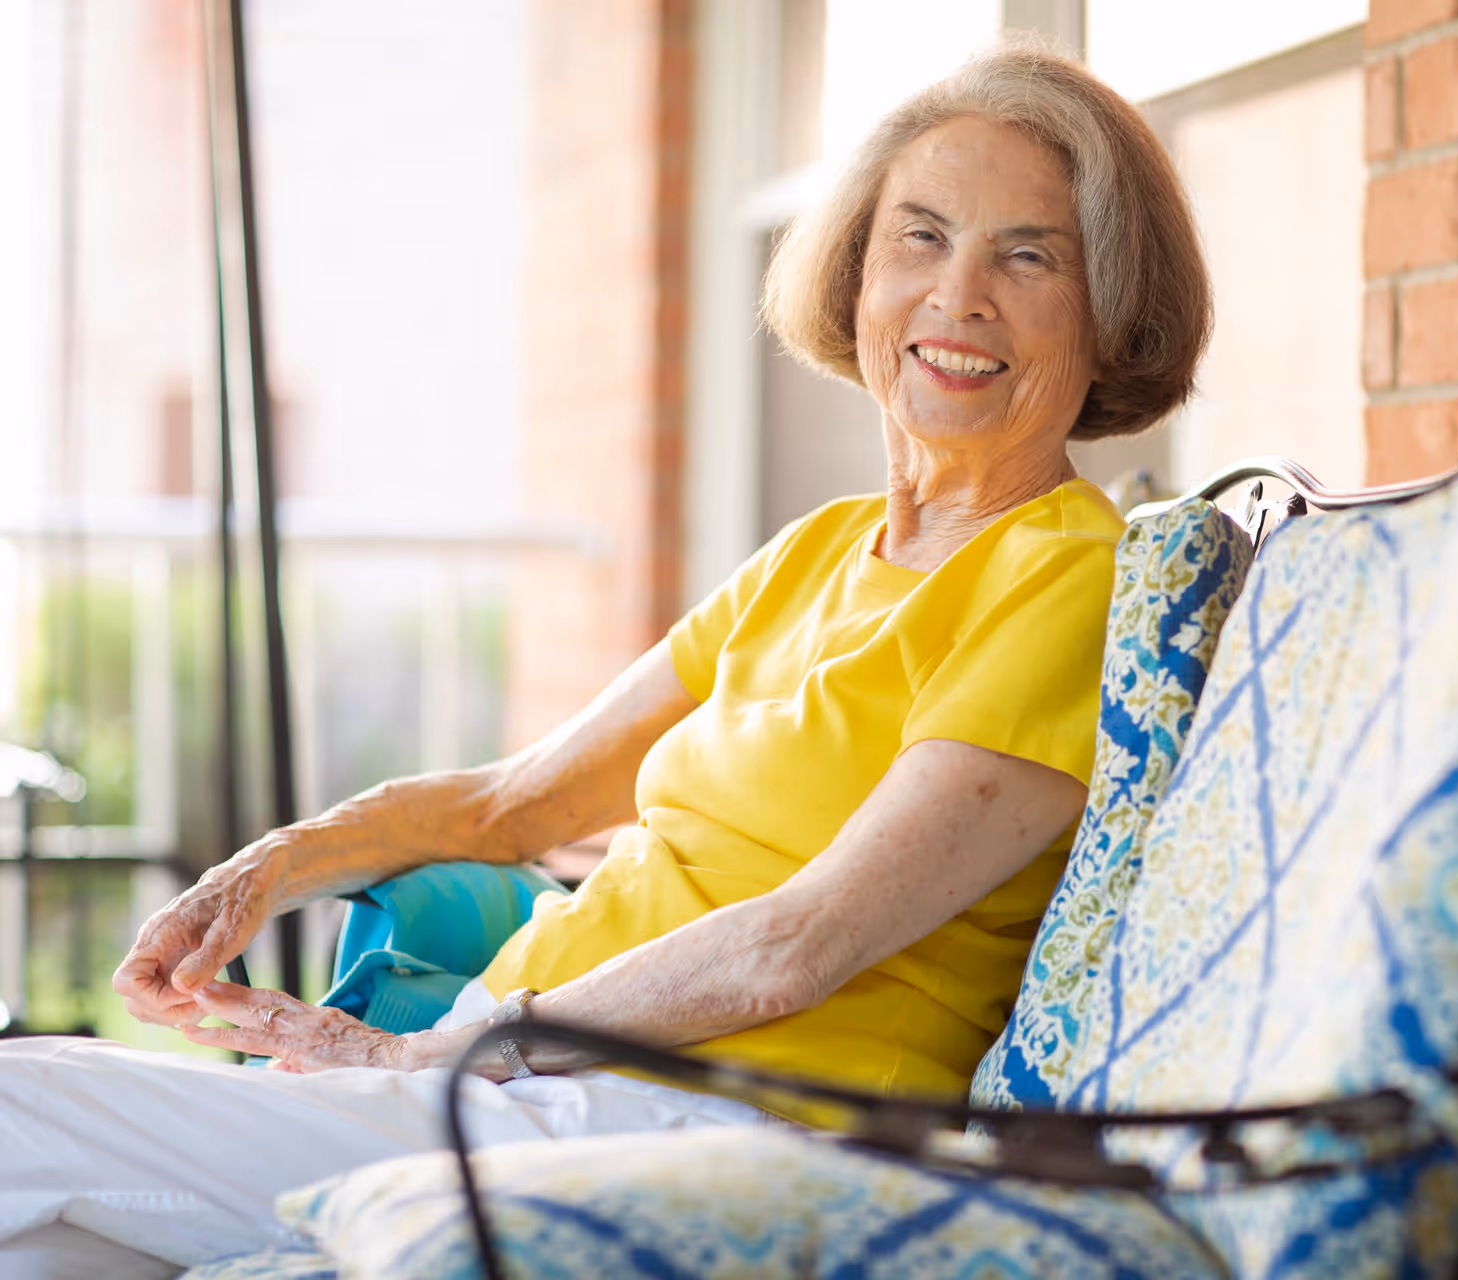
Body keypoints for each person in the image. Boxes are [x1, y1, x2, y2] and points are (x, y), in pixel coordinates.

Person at [0, 41, 1210, 1276]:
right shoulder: (823, 550)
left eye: (1027, 253)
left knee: (11, 1112)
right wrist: (262, 873)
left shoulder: (1061, 577)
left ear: (1109, 309)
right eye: (921, 237)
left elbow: (799, 941)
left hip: (703, 1112)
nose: (960, 296)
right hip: (545, 1073)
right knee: (57, 1250)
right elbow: (512, 802)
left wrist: (457, 1047)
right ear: (854, 273)